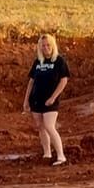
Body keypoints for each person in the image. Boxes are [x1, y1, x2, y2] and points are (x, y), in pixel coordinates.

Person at [23, 33, 70, 165]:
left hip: (50, 101)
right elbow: (31, 82)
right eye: (43, 46)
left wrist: (53, 97)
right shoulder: (38, 62)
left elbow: (64, 81)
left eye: (48, 45)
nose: (46, 48)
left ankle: (61, 156)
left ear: (53, 45)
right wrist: (26, 100)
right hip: (36, 100)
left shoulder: (59, 61)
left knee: (49, 126)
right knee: (40, 127)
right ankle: (47, 153)